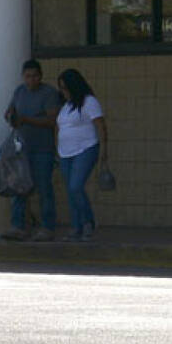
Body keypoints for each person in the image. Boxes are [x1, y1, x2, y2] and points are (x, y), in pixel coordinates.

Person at [2, 59, 63, 241]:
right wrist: (12, 117)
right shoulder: (19, 92)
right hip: (22, 149)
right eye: (28, 76)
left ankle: (48, 227)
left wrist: (27, 120)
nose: (31, 80)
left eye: (35, 76)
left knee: (44, 188)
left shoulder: (49, 93)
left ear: (41, 76)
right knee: (19, 187)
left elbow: (52, 120)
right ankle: (18, 226)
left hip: (43, 149)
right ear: (23, 77)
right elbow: (9, 112)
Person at [53, 68, 108, 242]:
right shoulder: (66, 106)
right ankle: (76, 226)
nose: (64, 92)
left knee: (76, 186)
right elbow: (59, 127)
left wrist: (104, 150)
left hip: (85, 148)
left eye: (66, 88)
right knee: (71, 190)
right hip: (65, 152)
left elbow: (100, 126)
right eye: (61, 88)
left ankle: (87, 222)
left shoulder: (88, 102)